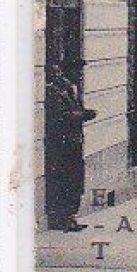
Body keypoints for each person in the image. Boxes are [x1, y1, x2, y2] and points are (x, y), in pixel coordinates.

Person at [44, 65, 96, 232]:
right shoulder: (53, 92)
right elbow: (62, 116)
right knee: (66, 180)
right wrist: (84, 115)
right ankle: (64, 219)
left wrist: (84, 112)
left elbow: (74, 111)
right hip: (63, 144)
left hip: (74, 142)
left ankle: (71, 217)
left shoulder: (68, 90)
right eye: (56, 72)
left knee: (75, 180)